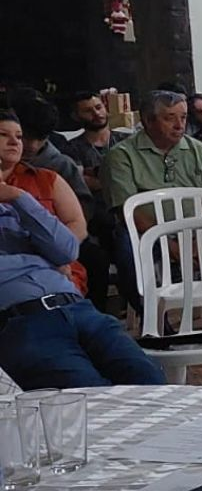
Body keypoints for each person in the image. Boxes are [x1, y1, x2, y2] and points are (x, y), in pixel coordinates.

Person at [0, 169, 166, 390]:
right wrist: (43, 260)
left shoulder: (13, 210)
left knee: (150, 381)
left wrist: (19, 198)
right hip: (24, 322)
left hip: (80, 309)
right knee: (90, 398)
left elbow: (67, 250)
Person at [104, 91, 202, 311]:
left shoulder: (199, 150)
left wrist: (199, 235)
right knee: (128, 252)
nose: (179, 125)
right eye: (169, 118)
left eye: (183, 117)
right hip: (147, 232)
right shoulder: (122, 155)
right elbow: (127, 209)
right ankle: (154, 322)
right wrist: (167, 242)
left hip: (196, 229)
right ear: (148, 121)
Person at [1, 113, 90, 295]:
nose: (14, 142)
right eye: (3, 135)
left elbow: (77, 224)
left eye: (18, 136)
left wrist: (57, 256)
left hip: (59, 264)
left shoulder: (47, 178)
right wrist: (46, 262)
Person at [63, 91, 128, 312]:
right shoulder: (71, 149)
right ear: (76, 116)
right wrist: (117, 178)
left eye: (98, 107)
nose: (96, 114)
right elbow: (81, 183)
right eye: (88, 111)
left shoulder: (126, 140)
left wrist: (100, 177)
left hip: (128, 209)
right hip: (95, 215)